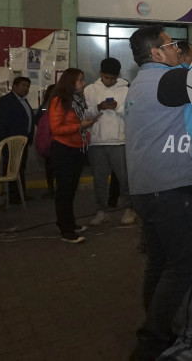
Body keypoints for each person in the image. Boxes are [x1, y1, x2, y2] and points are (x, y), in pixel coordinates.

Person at [124, 26, 192, 361]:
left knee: (159, 262)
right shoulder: (167, 80)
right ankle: (151, 341)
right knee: (183, 265)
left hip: (146, 191)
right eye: (171, 44)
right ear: (156, 53)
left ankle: (157, 328)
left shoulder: (140, 83)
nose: (178, 49)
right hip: (168, 192)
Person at [83, 57, 135, 226]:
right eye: (106, 77)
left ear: (118, 76)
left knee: (124, 179)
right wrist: (98, 107)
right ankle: (101, 211)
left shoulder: (126, 90)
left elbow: (131, 114)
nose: (109, 81)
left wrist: (117, 108)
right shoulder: (90, 90)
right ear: (100, 74)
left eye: (113, 78)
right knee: (99, 181)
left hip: (120, 141)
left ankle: (129, 208)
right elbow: (86, 116)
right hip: (97, 142)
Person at [48, 68, 98, 244]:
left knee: (70, 190)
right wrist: (80, 126)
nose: (83, 83)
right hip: (64, 150)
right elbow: (56, 129)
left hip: (77, 149)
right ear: (70, 82)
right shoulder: (59, 101)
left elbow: (79, 121)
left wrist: (88, 122)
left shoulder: (77, 99)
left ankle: (68, 223)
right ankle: (66, 231)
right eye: (80, 80)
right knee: (65, 191)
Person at [0, 76, 35, 204]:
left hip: (23, 141)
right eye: (23, 85)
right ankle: (12, 196)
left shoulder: (24, 100)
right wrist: (5, 142)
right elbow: (2, 123)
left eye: (27, 86)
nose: (26, 88)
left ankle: (20, 193)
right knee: (10, 168)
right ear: (15, 86)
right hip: (10, 141)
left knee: (20, 168)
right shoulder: (6, 100)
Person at [37, 85, 56, 199]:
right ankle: (51, 187)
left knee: (53, 166)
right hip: (49, 140)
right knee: (49, 166)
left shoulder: (47, 105)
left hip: (55, 139)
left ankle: (53, 187)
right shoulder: (45, 106)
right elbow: (38, 119)